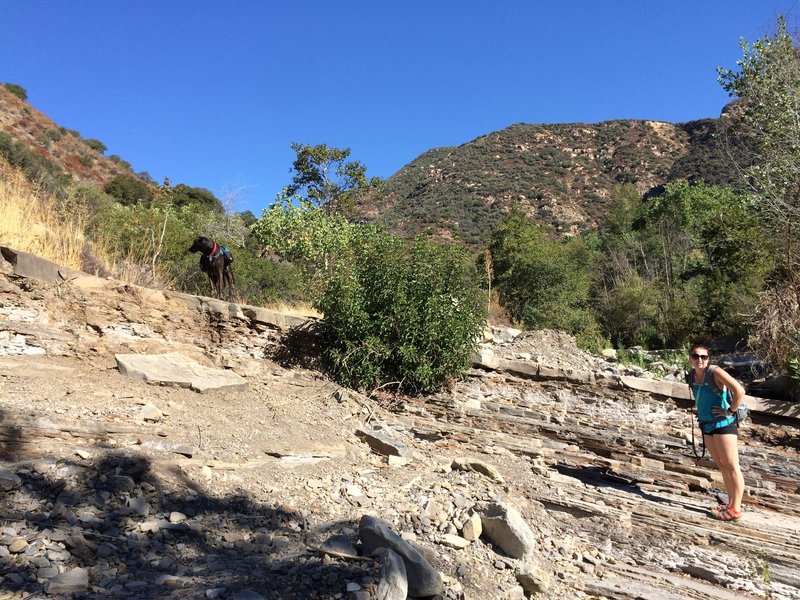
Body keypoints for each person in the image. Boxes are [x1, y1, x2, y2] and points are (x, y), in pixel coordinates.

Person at [687, 344, 747, 521]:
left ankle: (735, 509)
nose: (700, 360)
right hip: (707, 425)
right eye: (696, 356)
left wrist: (730, 411)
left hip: (724, 424)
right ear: (690, 358)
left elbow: (739, 391)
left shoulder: (715, 372)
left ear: (709, 359)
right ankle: (730, 503)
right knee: (722, 465)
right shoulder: (690, 376)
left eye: (704, 357)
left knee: (732, 466)